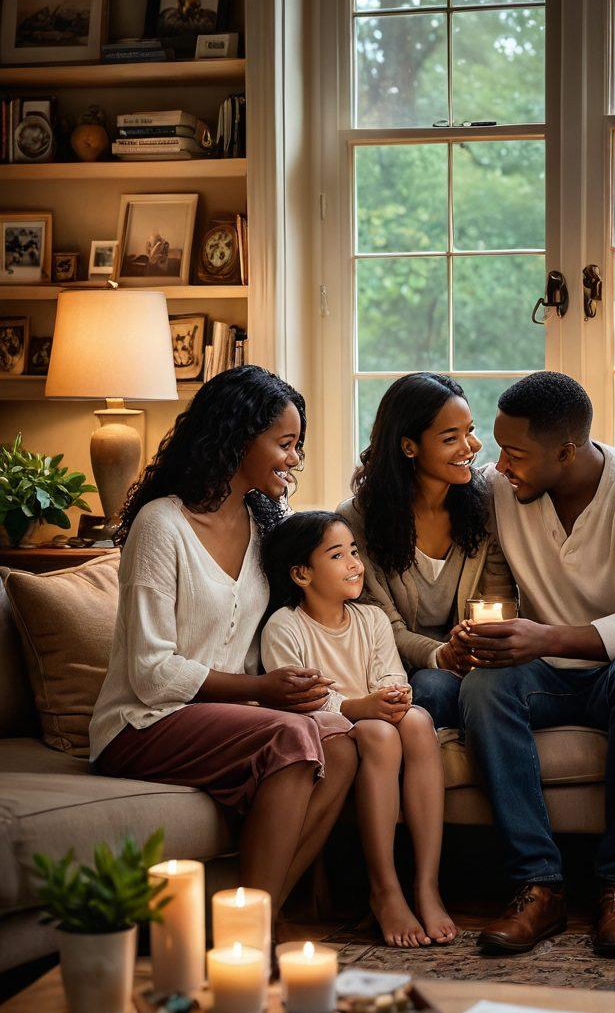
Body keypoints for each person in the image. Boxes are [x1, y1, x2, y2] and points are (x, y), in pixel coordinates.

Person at [89, 366, 358, 937]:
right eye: (284, 444)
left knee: (340, 739)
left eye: (298, 445)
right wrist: (262, 693)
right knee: (292, 735)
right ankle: (253, 935)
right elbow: (150, 671)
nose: (293, 458)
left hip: (232, 716)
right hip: (143, 721)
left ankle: (253, 918)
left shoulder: (264, 527)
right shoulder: (162, 525)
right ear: (237, 438)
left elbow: (274, 635)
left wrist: (320, 693)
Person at [454, 371, 615, 957]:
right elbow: (413, 496)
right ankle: (537, 885)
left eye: (515, 454)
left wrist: (546, 637)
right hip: (548, 674)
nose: (501, 466)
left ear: (567, 450)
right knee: (483, 689)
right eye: (499, 448)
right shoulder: (504, 489)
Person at [260, 510, 457, 949]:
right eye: (337, 555)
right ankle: (384, 889)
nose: (354, 564)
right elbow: (302, 699)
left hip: (371, 714)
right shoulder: (285, 627)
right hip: (328, 729)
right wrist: (359, 707)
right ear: (301, 573)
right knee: (380, 734)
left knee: (420, 721)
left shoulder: (370, 619)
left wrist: (391, 697)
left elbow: (391, 677)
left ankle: (426, 885)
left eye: (354, 552)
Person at [338, 372, 514, 731]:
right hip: (402, 669)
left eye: (470, 430)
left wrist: (474, 645)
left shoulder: (486, 504)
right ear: (409, 446)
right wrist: (440, 654)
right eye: (452, 438)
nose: (471, 446)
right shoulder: (357, 519)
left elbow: (497, 597)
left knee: (489, 686)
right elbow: (384, 626)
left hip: (475, 664)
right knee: (432, 686)